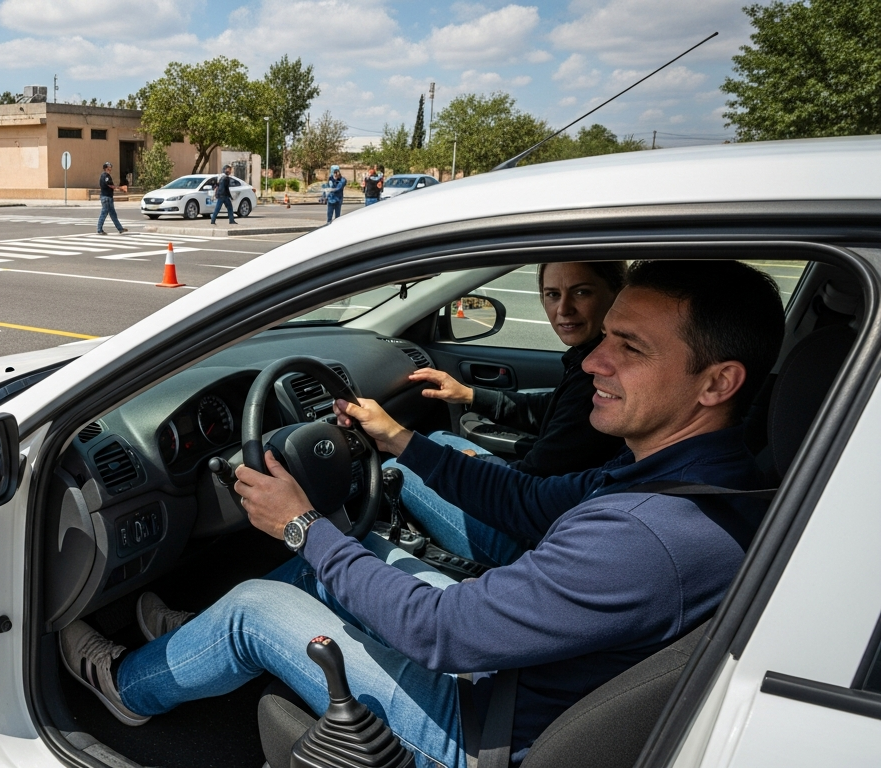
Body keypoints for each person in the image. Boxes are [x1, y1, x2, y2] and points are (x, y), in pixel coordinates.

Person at [60, 260, 784, 767]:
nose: (594, 361)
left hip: (477, 731)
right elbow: (529, 502)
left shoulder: (650, 537)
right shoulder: (690, 480)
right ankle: (193, 645)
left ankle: (129, 688)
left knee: (256, 602)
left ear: (717, 382)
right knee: (356, 557)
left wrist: (302, 523)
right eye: (607, 339)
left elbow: (440, 634)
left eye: (628, 347)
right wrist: (405, 441)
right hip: (520, 676)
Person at [403, 261, 628, 564]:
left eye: (582, 292)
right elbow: (551, 410)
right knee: (439, 438)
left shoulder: (598, 377)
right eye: (552, 294)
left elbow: (530, 488)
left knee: (400, 467)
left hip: (538, 541)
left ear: (617, 294)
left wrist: (473, 467)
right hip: (552, 510)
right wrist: (470, 395)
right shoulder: (587, 361)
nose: (563, 308)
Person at [97, 162, 127, 235]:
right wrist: (120, 188)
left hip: (108, 197)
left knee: (113, 214)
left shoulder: (103, 176)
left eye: (110, 168)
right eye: (108, 168)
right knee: (104, 213)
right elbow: (110, 185)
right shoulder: (106, 176)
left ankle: (120, 228)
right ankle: (99, 229)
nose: (109, 170)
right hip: (106, 198)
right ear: (105, 169)